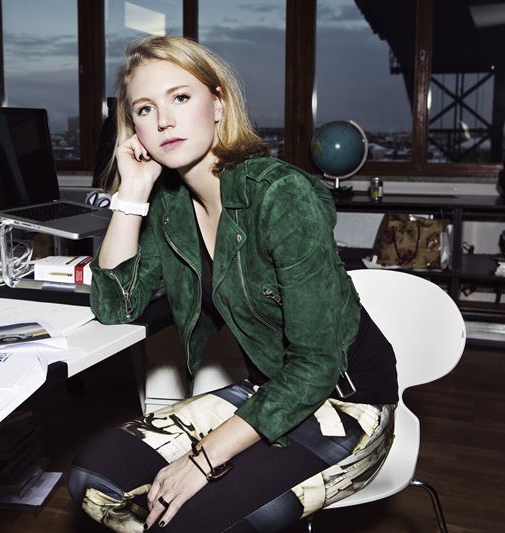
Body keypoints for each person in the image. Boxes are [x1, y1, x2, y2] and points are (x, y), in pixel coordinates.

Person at [68, 35, 398, 533]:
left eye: (181, 97)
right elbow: (116, 306)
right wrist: (132, 191)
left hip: (350, 403)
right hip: (271, 390)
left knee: (188, 519)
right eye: (145, 109)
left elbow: (316, 364)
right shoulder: (171, 205)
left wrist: (201, 460)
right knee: (94, 480)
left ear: (218, 104)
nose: (164, 121)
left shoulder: (279, 194)